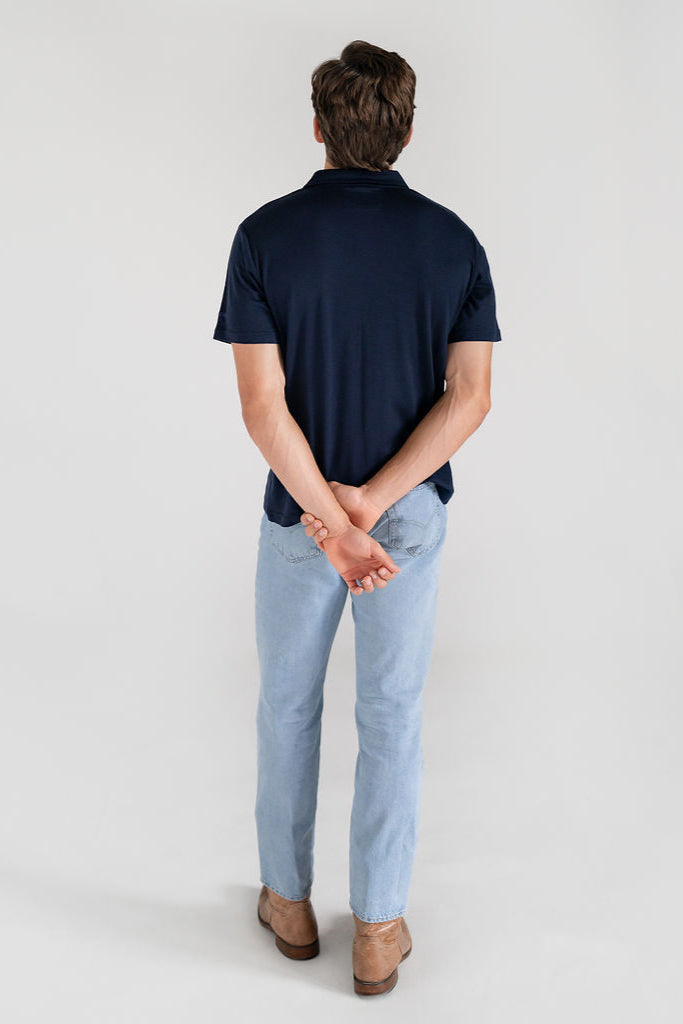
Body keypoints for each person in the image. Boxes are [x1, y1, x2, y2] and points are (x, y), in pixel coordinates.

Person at [212, 39, 502, 996]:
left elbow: (262, 407)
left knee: (287, 707)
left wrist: (332, 519)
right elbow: (470, 397)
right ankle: (376, 929)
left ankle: (288, 905)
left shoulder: (263, 235)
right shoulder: (455, 241)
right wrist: (373, 506)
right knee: (392, 714)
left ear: (317, 128)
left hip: (300, 519)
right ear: (407, 131)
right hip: (404, 518)